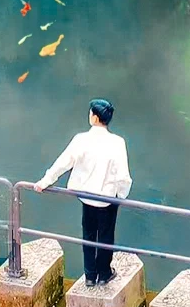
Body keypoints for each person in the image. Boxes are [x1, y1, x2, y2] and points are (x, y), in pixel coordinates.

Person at [34, 99, 132, 285]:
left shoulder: (81, 139)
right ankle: (104, 274)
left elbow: (63, 163)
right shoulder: (118, 142)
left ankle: (89, 275)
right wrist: (121, 195)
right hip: (107, 199)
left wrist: (44, 182)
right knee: (105, 236)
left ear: (95, 117)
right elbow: (123, 176)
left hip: (86, 197)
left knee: (88, 235)